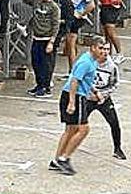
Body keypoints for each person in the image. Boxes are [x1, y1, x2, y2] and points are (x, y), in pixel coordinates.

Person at [51, 35, 106, 176]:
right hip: (75, 95)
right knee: (84, 129)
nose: (103, 51)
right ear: (93, 48)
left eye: (104, 49)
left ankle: (57, 160)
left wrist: (95, 91)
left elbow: (85, 80)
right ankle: (64, 158)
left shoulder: (92, 61)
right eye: (100, 48)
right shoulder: (86, 62)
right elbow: (74, 81)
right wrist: (71, 102)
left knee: (70, 129)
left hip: (76, 94)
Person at [14, 0, 61, 98]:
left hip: (47, 40)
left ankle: (46, 88)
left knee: (47, 65)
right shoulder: (36, 2)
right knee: (36, 63)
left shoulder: (54, 7)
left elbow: (56, 25)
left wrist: (51, 42)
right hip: (36, 39)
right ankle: (39, 85)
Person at [88, 41, 126, 160]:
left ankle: (118, 148)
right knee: (77, 123)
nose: (104, 52)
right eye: (102, 49)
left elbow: (114, 84)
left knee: (114, 123)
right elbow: (82, 80)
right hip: (88, 97)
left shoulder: (111, 66)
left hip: (104, 98)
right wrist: (91, 94)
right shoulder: (89, 63)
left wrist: (103, 95)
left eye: (107, 49)